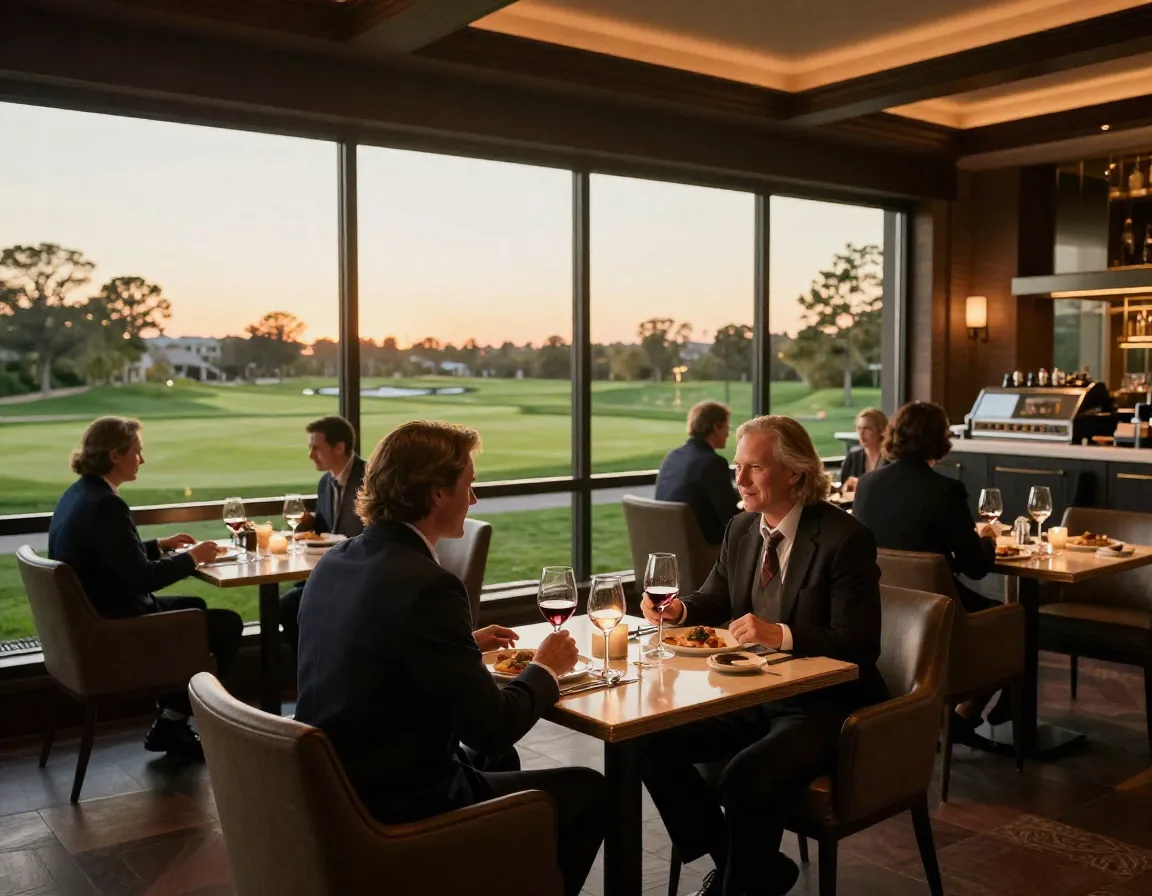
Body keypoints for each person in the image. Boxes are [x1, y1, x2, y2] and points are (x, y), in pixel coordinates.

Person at [294, 421, 606, 896]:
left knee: (499, 760)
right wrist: (545, 667)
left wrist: (462, 643)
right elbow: (492, 725)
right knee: (589, 791)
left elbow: (379, 648)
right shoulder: (428, 586)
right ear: (437, 492)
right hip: (400, 804)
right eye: (469, 485)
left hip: (340, 787)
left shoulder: (336, 561)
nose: (474, 499)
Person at [639, 415, 885, 896]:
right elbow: (715, 596)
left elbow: (860, 642)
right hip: (751, 693)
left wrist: (782, 635)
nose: (741, 479)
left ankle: (740, 885)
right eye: (737, 466)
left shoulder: (845, 538)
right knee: (645, 740)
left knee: (745, 777)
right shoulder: (741, 528)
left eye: (754, 467)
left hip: (823, 705)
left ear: (794, 472)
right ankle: (748, 868)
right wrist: (678, 609)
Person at [48, 416, 243, 758]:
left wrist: (157, 545)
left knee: (195, 607)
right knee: (226, 625)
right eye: (137, 451)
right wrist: (193, 558)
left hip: (93, 621)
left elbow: (110, 554)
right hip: (117, 629)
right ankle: (172, 720)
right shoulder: (107, 504)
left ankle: (170, 720)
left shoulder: (78, 494)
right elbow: (142, 578)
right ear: (114, 455)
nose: (142, 459)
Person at [852, 400, 1003, 743]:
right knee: (1013, 620)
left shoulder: (867, 485)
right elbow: (975, 567)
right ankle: (967, 714)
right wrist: (988, 541)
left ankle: (959, 718)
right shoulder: (945, 491)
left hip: (883, 613)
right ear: (940, 439)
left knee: (998, 614)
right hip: (938, 613)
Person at [279, 415, 365, 652]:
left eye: (316, 448)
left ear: (339, 447)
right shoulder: (325, 483)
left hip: (358, 575)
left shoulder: (371, 479)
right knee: (288, 604)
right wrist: (309, 522)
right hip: (329, 570)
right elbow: (328, 530)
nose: (311, 455)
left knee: (290, 605)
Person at [655, 400, 739, 545]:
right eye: (726, 427)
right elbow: (731, 518)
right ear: (716, 427)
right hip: (701, 546)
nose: (727, 434)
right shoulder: (712, 463)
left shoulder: (673, 456)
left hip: (669, 541)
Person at [839, 407, 887, 496]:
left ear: (881, 430)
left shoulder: (890, 459)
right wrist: (846, 488)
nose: (861, 433)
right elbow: (842, 488)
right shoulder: (853, 457)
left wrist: (861, 485)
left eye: (866, 428)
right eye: (859, 428)